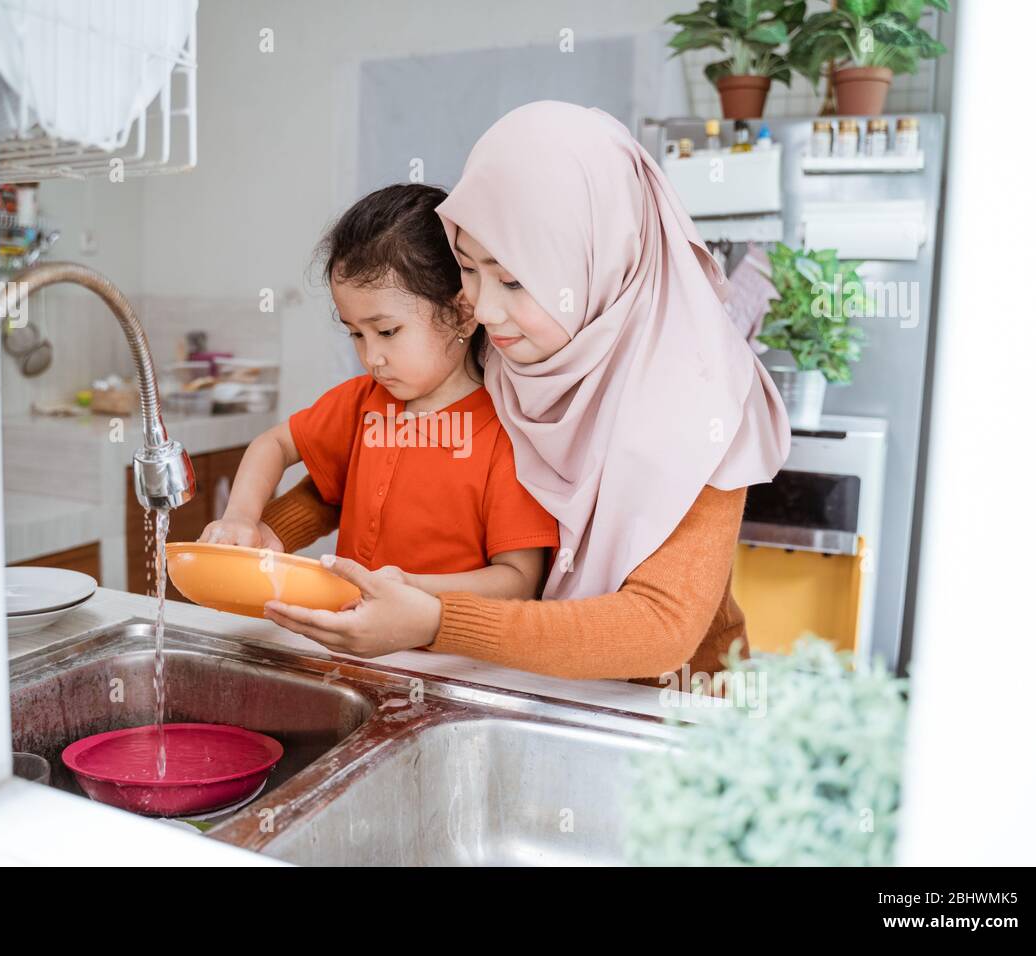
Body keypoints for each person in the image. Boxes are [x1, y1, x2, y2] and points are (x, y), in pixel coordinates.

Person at [259, 102, 790, 684]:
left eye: (514, 279)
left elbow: (660, 627)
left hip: (669, 713)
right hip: (532, 682)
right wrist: (269, 535)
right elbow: (372, 464)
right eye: (468, 267)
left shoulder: (701, 400)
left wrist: (436, 621)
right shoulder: (511, 349)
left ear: (598, 260)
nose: (483, 309)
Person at [200, 183, 558, 602]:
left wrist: (406, 591)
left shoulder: (507, 435)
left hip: (454, 664)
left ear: (462, 314)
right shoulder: (362, 401)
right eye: (356, 334)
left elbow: (518, 580)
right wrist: (242, 516)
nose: (373, 357)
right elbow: (274, 444)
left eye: (388, 331)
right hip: (355, 645)